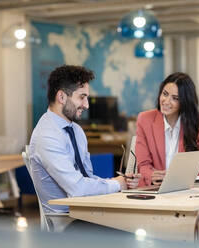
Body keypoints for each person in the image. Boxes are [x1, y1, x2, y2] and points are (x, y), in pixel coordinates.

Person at [29, 65, 139, 213]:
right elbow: (78, 189)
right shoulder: (47, 136)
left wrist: (122, 181)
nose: (86, 105)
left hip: (87, 210)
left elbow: (87, 178)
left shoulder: (76, 130)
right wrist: (117, 185)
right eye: (82, 97)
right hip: (67, 220)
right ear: (61, 97)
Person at [135, 72, 199, 186]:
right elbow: (143, 165)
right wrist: (153, 176)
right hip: (153, 190)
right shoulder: (145, 119)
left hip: (186, 190)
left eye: (175, 98)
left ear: (185, 102)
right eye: (165, 94)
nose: (166, 101)